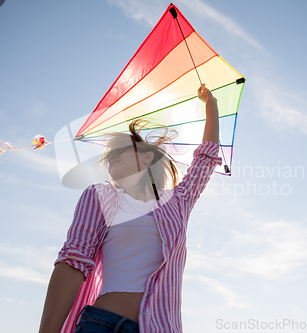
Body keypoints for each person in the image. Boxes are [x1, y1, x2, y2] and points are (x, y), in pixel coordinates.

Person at [38, 84, 222, 333]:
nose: (111, 157)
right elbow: (73, 261)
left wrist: (211, 104)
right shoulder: (100, 196)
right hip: (101, 324)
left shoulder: (179, 201)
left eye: (120, 150)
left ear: (148, 157)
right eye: (108, 155)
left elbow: (206, 159)